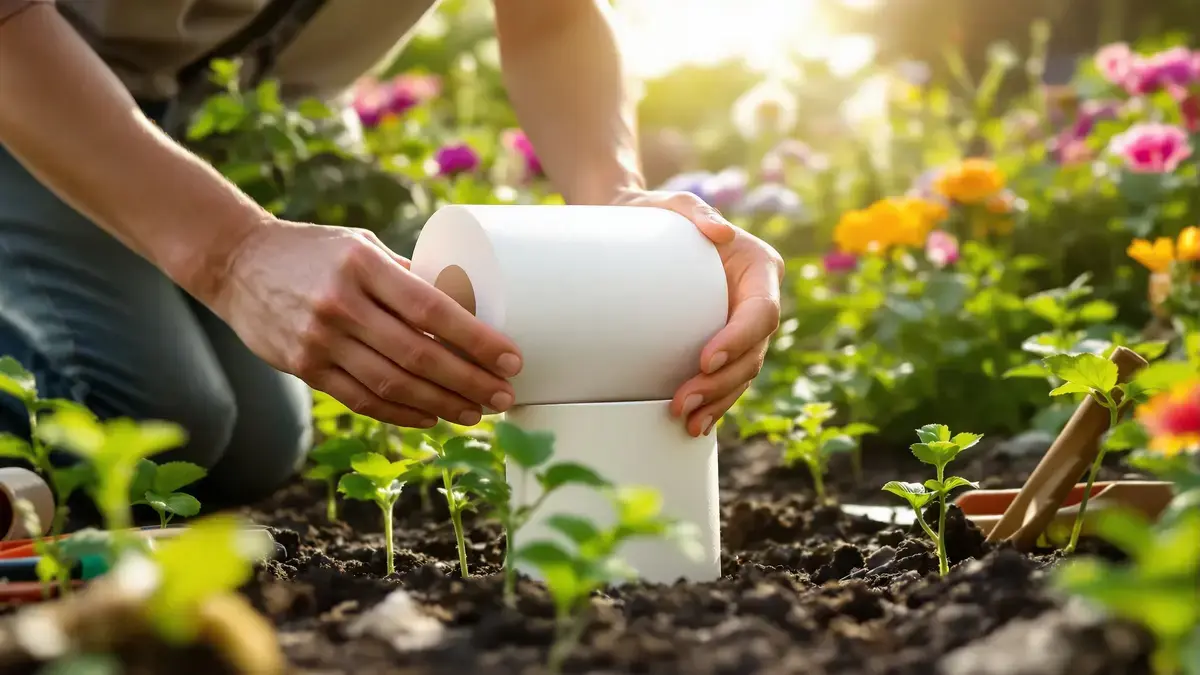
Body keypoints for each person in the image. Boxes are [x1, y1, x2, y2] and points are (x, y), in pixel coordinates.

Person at [0, 0, 784, 506]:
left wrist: (618, 209)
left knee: (252, 444)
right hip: (28, 86)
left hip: (218, 118)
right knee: (153, 411)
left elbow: (553, 18)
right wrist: (232, 256)